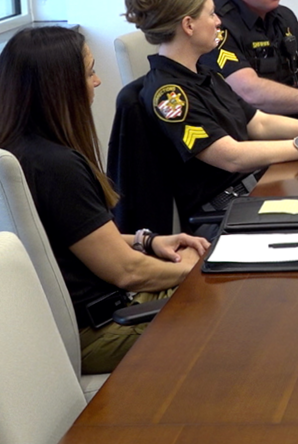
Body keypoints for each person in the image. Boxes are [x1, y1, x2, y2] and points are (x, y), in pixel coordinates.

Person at [0, 26, 212, 373]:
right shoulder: (58, 167)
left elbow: (72, 241)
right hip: (103, 330)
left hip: (64, 328)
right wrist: (193, 271)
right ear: (60, 87)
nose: (97, 82)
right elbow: (126, 272)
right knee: (228, 313)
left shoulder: (17, 150)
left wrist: (149, 240)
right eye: (90, 72)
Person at [125, 0, 298, 226]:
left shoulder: (204, 73)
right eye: (211, 14)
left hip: (255, 185)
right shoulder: (170, 95)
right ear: (188, 25)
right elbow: (231, 156)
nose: (218, 22)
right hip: (224, 210)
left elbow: (258, 123)